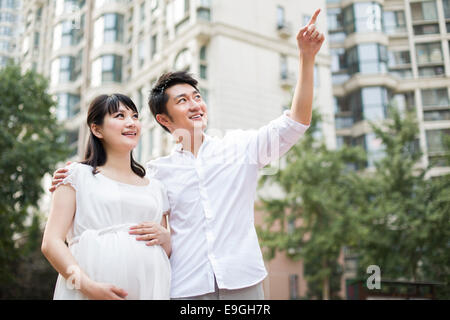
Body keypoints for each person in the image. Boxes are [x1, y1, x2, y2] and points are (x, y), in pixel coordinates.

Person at [50, 9, 325, 299]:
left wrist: (306, 58)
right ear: (164, 120)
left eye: (197, 97)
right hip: (187, 287)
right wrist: (75, 179)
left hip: (243, 281)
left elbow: (297, 122)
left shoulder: (241, 148)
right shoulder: (154, 174)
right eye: (182, 101)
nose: (195, 105)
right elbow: (127, 205)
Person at [42, 94, 172, 300]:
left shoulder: (156, 187)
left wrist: (166, 239)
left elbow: (165, 250)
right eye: (120, 116)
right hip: (89, 291)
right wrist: (87, 286)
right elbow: (51, 242)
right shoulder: (76, 176)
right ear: (96, 129)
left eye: (135, 116)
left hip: (149, 291)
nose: (131, 123)